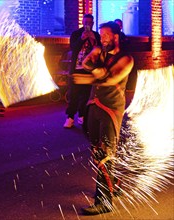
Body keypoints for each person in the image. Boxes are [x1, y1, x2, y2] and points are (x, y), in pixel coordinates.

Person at [72, 21, 134, 215]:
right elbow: (85, 62)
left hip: (111, 109)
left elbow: (110, 80)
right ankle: (114, 183)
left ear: (115, 36)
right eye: (101, 35)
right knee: (96, 149)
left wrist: (90, 77)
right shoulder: (100, 51)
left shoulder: (126, 58)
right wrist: (96, 68)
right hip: (94, 106)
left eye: (105, 35)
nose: (102, 38)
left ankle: (104, 201)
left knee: (105, 153)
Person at [63, 14, 101, 128]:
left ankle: (82, 115)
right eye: (86, 22)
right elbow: (73, 48)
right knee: (73, 94)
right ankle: (70, 117)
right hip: (76, 69)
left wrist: (93, 40)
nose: (88, 24)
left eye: (90, 22)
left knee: (86, 95)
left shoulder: (96, 35)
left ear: (93, 23)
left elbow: (99, 50)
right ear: (83, 22)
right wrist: (82, 39)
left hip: (88, 70)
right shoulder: (76, 34)